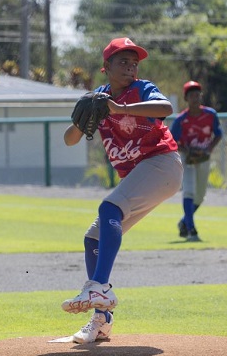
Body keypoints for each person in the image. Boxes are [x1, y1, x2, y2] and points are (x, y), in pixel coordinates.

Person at [62, 37, 183, 343]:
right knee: (93, 237)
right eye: (123, 62)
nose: (130, 67)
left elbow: (166, 107)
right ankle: (101, 319)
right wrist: (81, 120)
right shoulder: (97, 98)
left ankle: (99, 287)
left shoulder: (141, 89)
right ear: (106, 68)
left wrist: (119, 107)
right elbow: (69, 139)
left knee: (108, 209)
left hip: (162, 164)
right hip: (140, 174)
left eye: (134, 63)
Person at [169, 81, 223, 241]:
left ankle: (184, 221)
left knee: (200, 196)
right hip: (188, 158)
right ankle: (191, 230)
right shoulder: (181, 120)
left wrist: (208, 149)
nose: (195, 98)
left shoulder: (210, 114)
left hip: (204, 156)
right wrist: (187, 151)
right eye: (191, 95)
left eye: (197, 94)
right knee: (190, 191)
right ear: (186, 98)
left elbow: (218, 134)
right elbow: (172, 141)